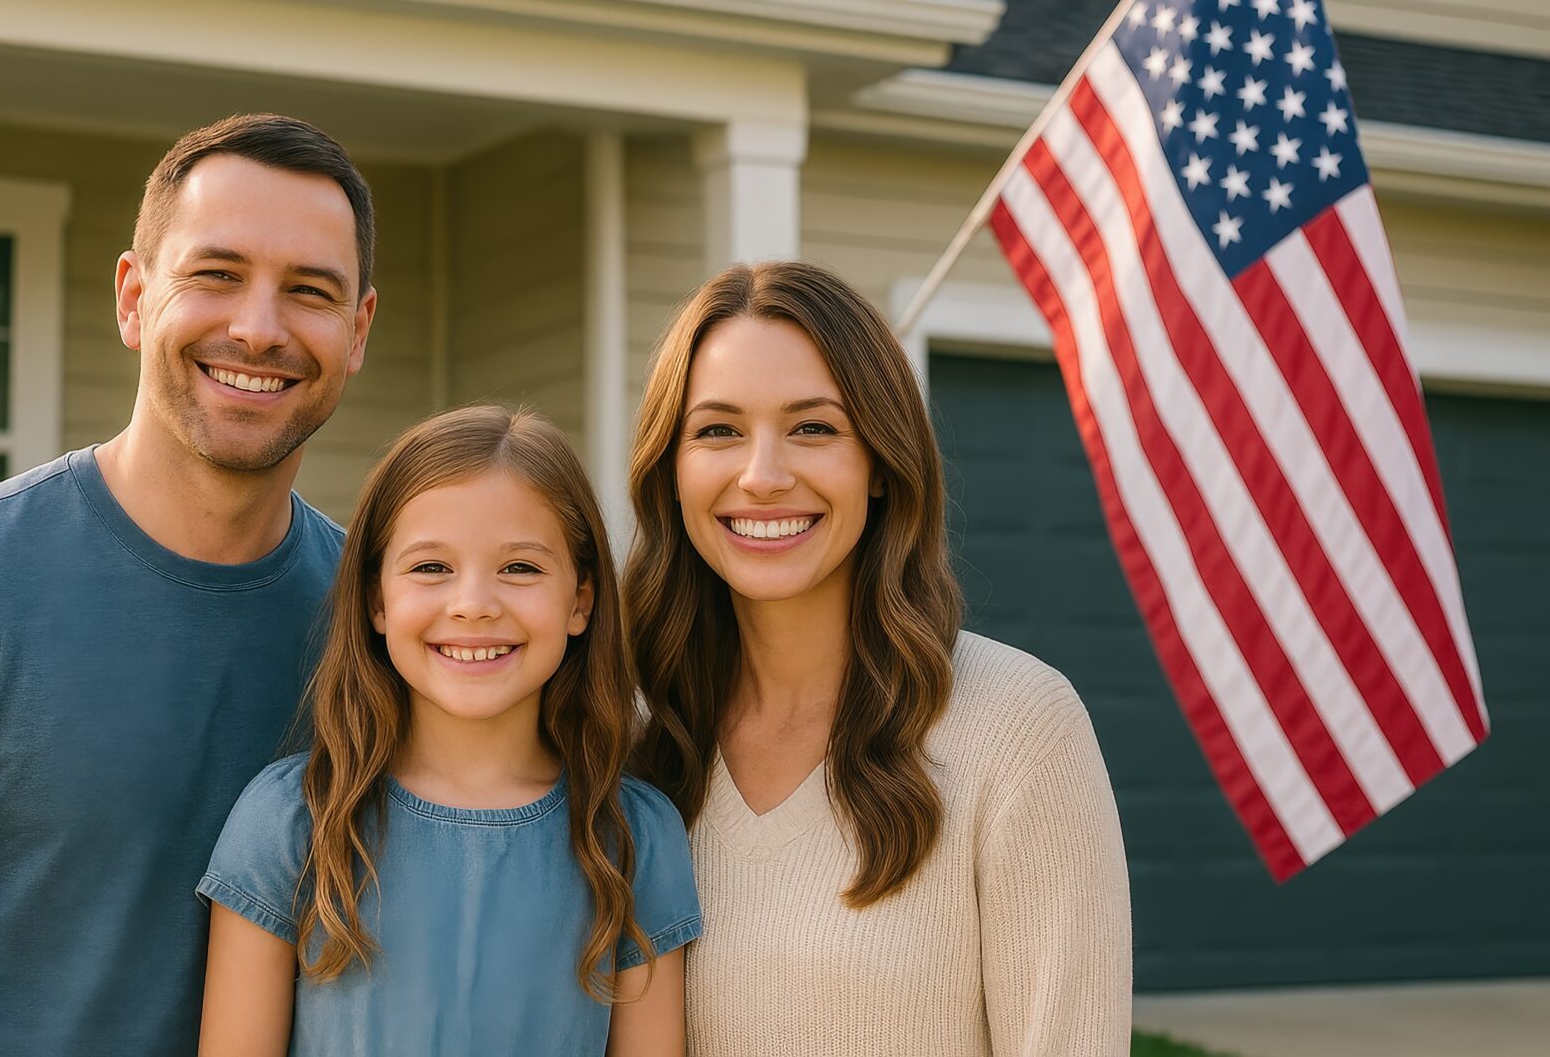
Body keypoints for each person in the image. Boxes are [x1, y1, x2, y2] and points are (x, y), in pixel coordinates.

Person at [0, 113, 379, 1057]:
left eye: (309, 291)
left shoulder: (381, 625)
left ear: (358, 330)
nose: (258, 328)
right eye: (216, 275)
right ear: (133, 298)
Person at [626, 261, 1131, 1057]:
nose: (763, 477)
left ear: (883, 468)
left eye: (814, 429)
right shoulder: (633, 742)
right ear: (671, 473)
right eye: (718, 430)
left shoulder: (1018, 727)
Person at [197, 405, 699, 1057]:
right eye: (431, 567)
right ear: (376, 599)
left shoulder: (634, 838)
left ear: (580, 599)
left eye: (520, 568)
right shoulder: (291, 820)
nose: (473, 605)